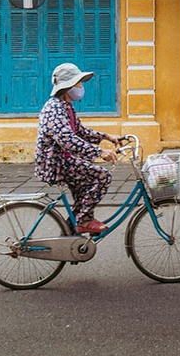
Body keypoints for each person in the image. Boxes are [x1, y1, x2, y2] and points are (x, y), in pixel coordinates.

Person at [35, 63, 121, 234]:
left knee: (86, 188)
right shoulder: (54, 109)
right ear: (67, 87)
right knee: (102, 176)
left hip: (65, 159)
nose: (81, 88)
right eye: (78, 84)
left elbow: (80, 132)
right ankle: (84, 220)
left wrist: (106, 137)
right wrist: (99, 152)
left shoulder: (66, 106)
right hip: (57, 163)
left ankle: (71, 232)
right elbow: (68, 139)